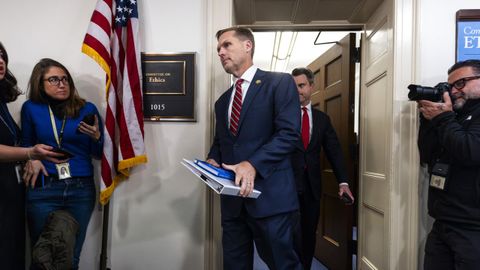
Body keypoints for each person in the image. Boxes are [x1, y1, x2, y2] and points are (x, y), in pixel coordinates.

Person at [207, 27, 302, 270]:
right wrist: (211, 159)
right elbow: (223, 142)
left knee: (283, 265)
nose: (220, 52)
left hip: (270, 199)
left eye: (226, 45)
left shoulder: (279, 83)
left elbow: (289, 134)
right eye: (218, 48)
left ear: (247, 46)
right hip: (233, 204)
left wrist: (252, 164)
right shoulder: (223, 101)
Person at [21, 58, 104, 269]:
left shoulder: (87, 108)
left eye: (65, 79)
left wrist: (96, 138)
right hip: (43, 187)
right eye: (54, 79)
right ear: (41, 84)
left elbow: (98, 154)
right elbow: (26, 145)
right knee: (42, 256)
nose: (62, 84)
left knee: (70, 256)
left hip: (80, 189)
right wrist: (32, 158)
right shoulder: (31, 108)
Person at [0, 42, 64, 270]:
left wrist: (31, 158)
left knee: (12, 254)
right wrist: (30, 152)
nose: (0, 61)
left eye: (1, 55)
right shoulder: (28, 109)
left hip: (11, 193)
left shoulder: (2, 102)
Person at [417, 59, 480, 270]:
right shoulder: (455, 115)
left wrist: (443, 118)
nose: (453, 91)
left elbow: (470, 151)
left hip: (473, 229)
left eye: (461, 83)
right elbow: (427, 154)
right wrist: (428, 121)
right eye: (451, 85)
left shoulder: (452, 117)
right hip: (443, 221)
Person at [290, 67, 354, 269]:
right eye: (293, 87)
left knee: (309, 234)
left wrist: (343, 182)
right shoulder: (281, 116)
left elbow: (334, 152)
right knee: (287, 234)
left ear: (311, 86)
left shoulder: (322, 120)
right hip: (286, 186)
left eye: (301, 86)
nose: (297, 90)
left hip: (312, 187)